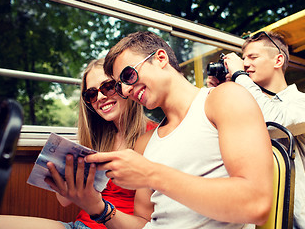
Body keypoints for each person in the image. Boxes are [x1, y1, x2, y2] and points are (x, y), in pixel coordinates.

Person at [77, 31, 274, 229]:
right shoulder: (144, 142)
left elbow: (256, 205)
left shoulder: (223, 99)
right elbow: (143, 224)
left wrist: (151, 174)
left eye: (128, 75)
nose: (127, 91)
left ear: (160, 58)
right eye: (120, 87)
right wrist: (98, 208)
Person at [0, 58, 156, 229]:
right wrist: (63, 176)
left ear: (123, 86)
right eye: (91, 94)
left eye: (107, 87)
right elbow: (64, 201)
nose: (100, 97)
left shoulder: (152, 137)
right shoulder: (100, 138)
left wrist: (100, 208)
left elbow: (143, 224)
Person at [207, 31, 305, 228]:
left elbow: (271, 121)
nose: (244, 64)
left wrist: (239, 77)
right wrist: (218, 93)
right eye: (243, 59)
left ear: (278, 60)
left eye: (253, 57)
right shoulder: (240, 99)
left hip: (292, 219)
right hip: (244, 216)